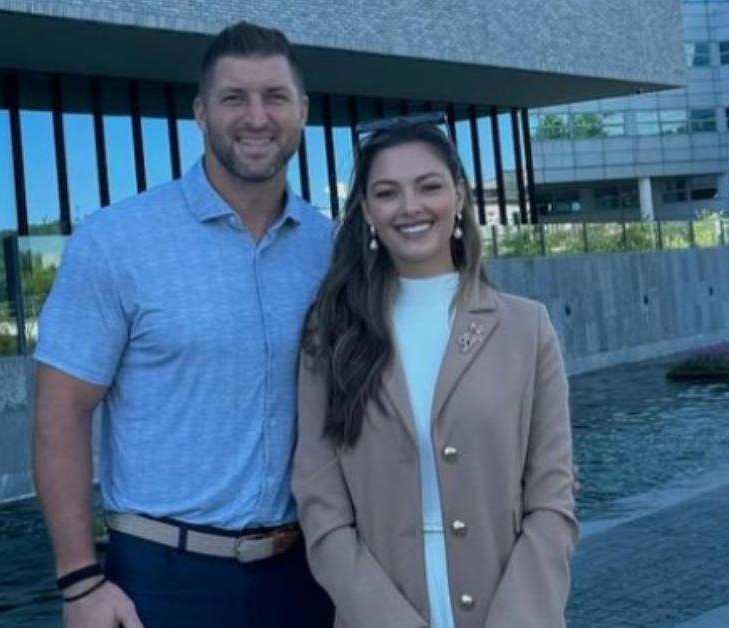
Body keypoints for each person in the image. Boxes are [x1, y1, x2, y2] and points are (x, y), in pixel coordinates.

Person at [32, 21, 334, 628]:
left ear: (302, 111)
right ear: (200, 113)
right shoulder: (117, 242)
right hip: (162, 580)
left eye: (274, 97)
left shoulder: (333, 248)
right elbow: (59, 413)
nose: (256, 117)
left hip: (307, 573)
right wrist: (80, 581)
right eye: (233, 98)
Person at [293, 115, 579, 628]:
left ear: (460, 196)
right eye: (387, 193)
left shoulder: (526, 328)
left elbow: (552, 499)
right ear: (366, 212)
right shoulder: (331, 332)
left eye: (429, 186)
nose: (410, 207)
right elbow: (321, 508)